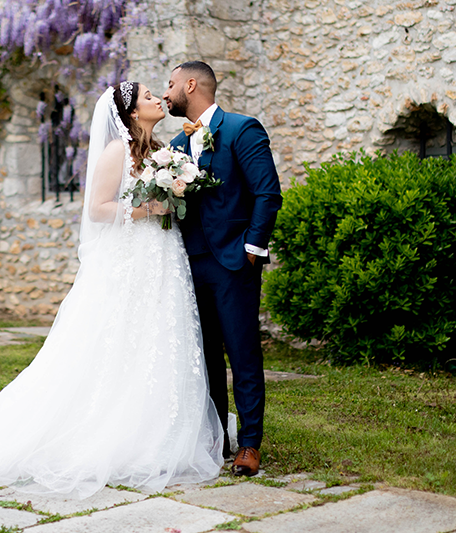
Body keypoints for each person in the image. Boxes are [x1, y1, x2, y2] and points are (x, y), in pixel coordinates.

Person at [0, 82, 235, 499]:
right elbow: (98, 209)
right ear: (132, 113)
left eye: (158, 94)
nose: (158, 99)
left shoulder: (160, 149)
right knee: (121, 341)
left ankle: (164, 428)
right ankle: (115, 433)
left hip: (161, 256)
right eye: (147, 97)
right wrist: (148, 208)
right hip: (132, 258)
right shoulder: (116, 152)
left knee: (161, 337)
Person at [163, 61, 283, 477]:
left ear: (192, 85)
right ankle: (218, 438)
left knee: (243, 352)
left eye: (173, 84)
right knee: (206, 355)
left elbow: (268, 193)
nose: (167, 92)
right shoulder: (177, 145)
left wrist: (252, 248)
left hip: (235, 262)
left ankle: (250, 445)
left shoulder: (241, 129)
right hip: (192, 263)